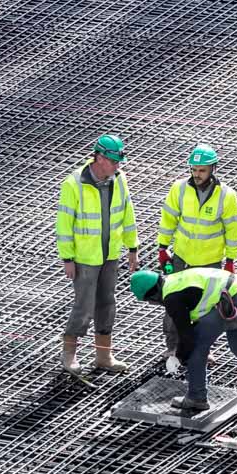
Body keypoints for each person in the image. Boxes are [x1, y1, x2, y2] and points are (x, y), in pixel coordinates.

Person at [129, 265, 237, 415]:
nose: (152, 304)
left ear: (152, 294)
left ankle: (197, 397)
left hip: (229, 299)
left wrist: (180, 357)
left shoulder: (172, 298)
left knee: (197, 348)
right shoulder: (173, 281)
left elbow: (187, 336)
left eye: (149, 301)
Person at [54, 133, 140, 377]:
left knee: (107, 304)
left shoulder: (118, 180)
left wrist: (132, 248)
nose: (117, 166)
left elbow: (127, 213)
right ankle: (69, 354)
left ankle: (104, 356)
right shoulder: (74, 184)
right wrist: (67, 258)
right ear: (99, 158)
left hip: (109, 254)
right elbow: (64, 224)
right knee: (84, 306)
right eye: (113, 161)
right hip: (85, 258)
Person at [155, 144, 237, 368]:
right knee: (173, 304)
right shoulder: (180, 189)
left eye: (202, 170)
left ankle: (203, 349)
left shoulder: (226, 196)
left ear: (213, 169)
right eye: (194, 169)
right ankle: (173, 347)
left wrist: (230, 260)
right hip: (182, 258)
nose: (197, 174)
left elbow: (233, 230)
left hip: (210, 262)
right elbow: (169, 219)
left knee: (206, 309)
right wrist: (163, 248)